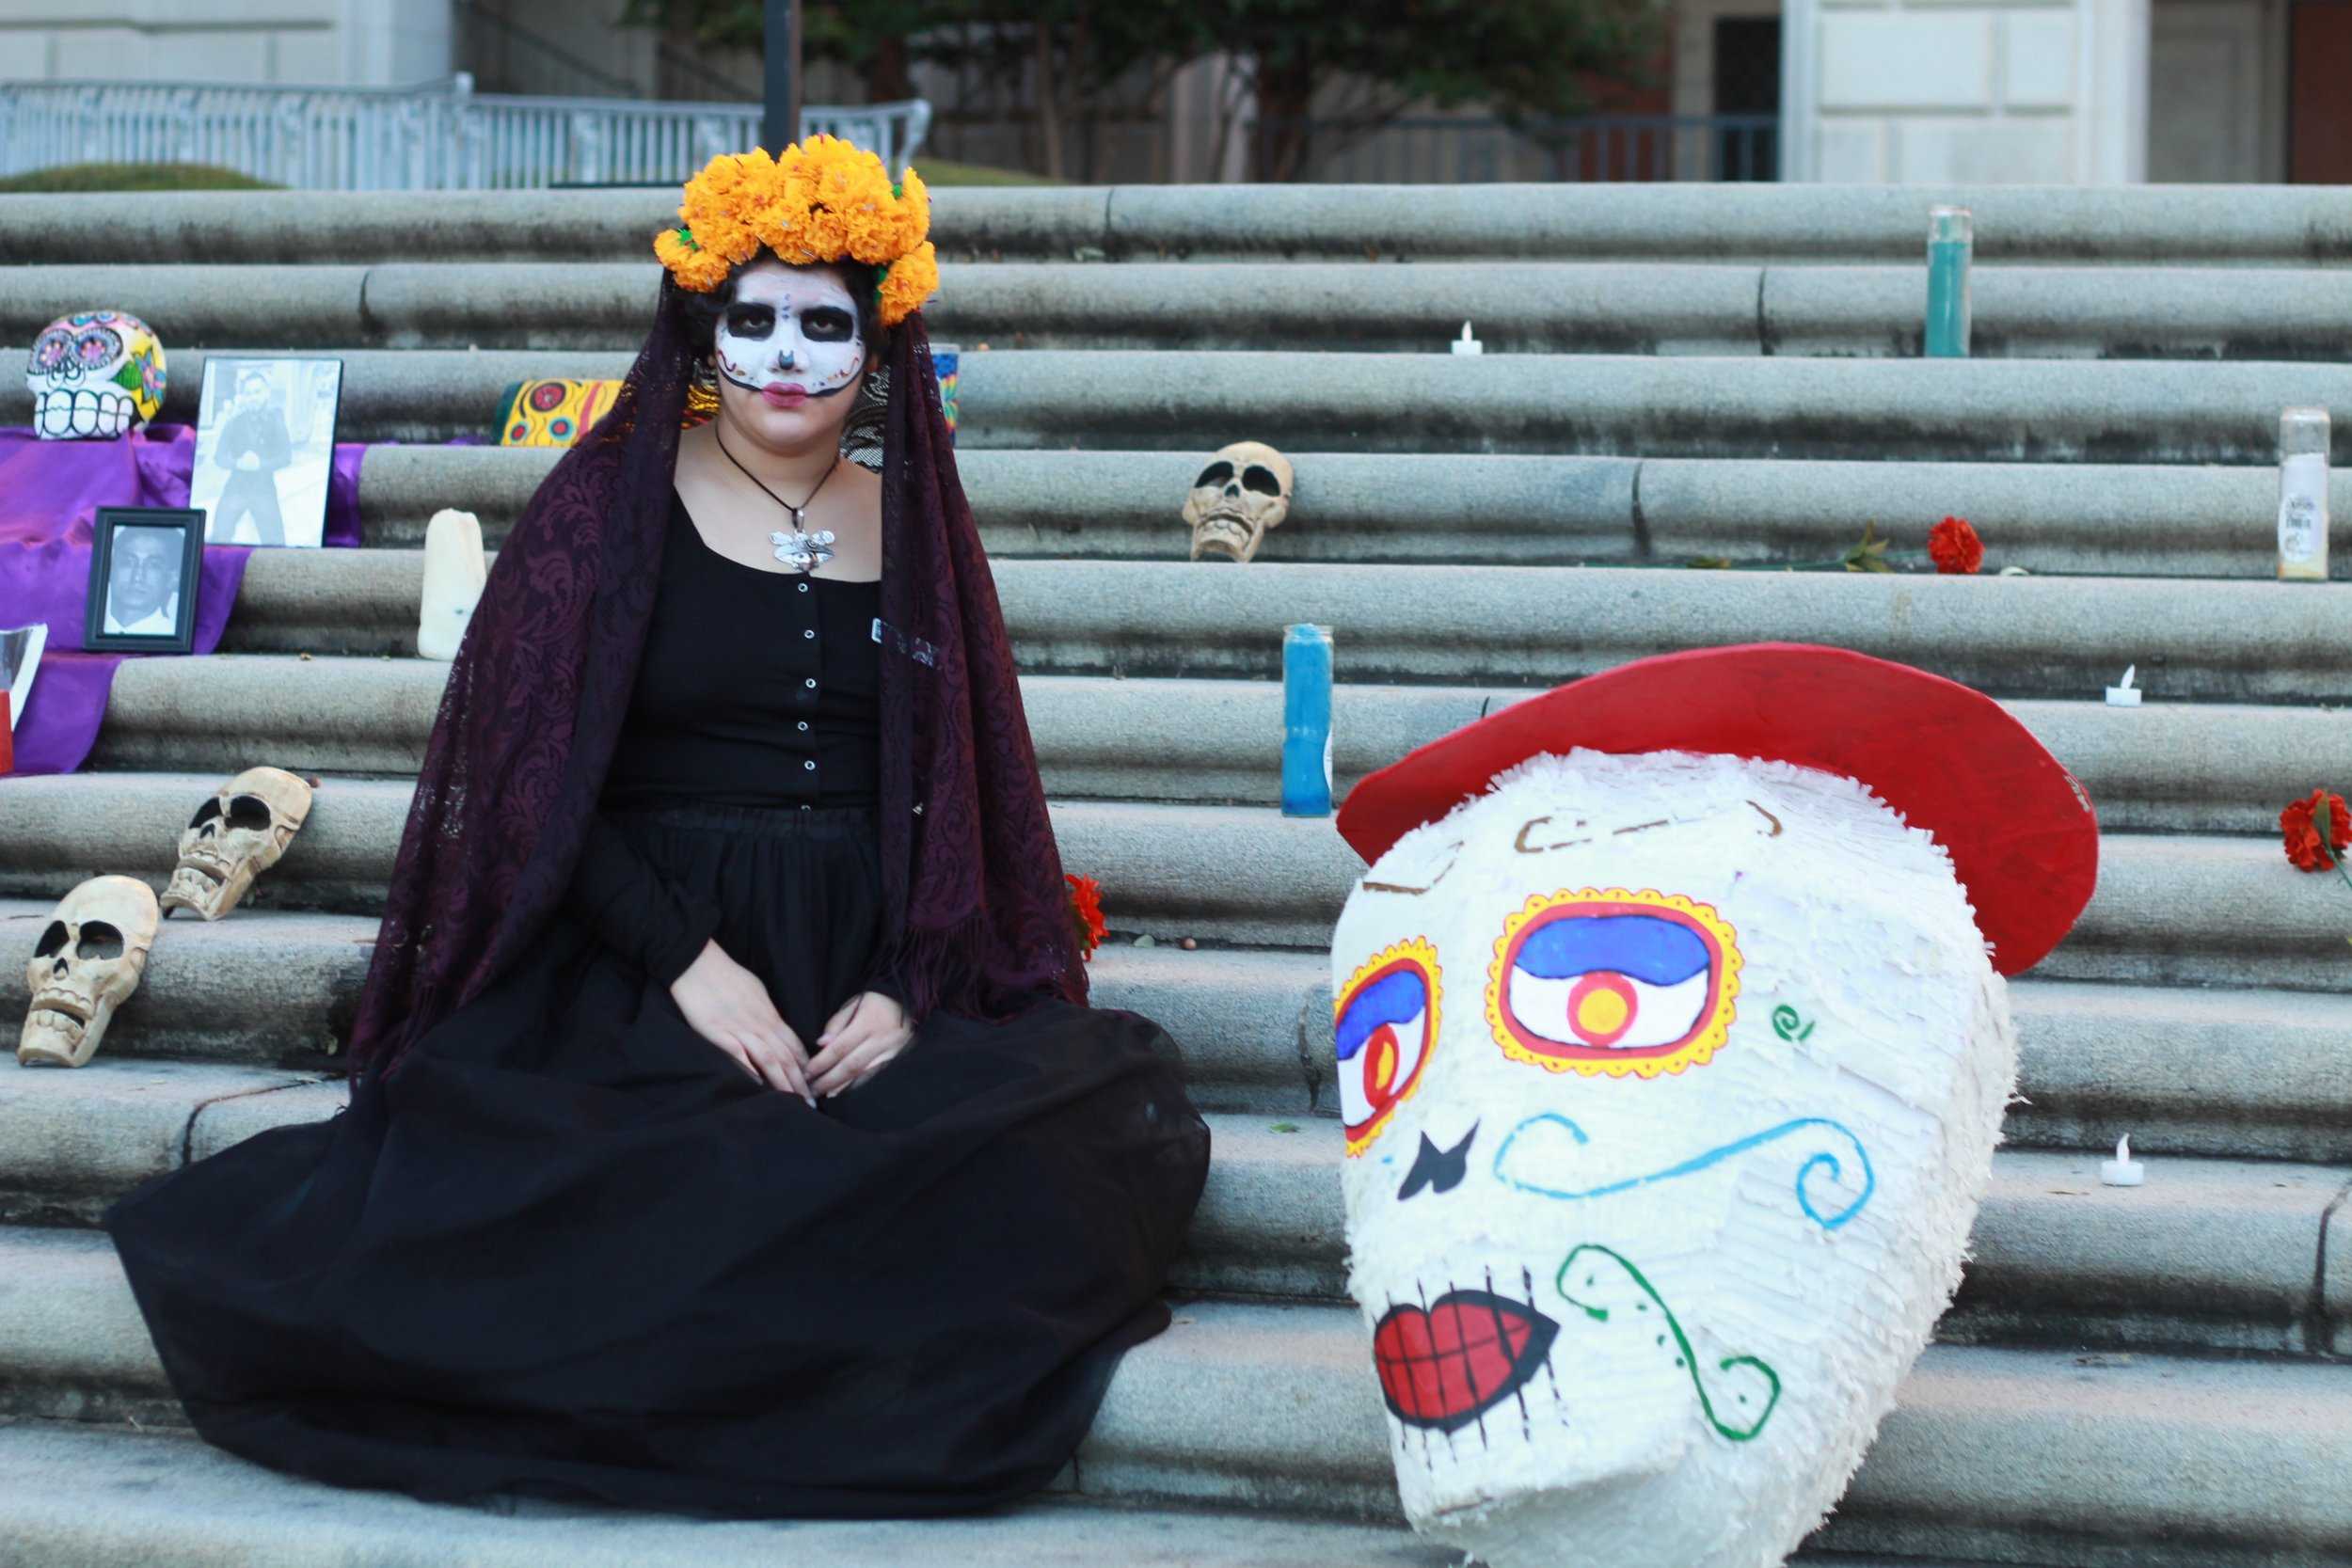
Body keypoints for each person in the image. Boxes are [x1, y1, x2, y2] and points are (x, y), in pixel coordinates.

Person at [102, 136, 1213, 1520]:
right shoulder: (606, 508)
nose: (789, 357)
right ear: (703, 331)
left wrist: (910, 984)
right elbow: (533, 783)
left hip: (869, 950)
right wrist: (690, 961)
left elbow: (960, 780)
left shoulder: (915, 520)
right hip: (646, 947)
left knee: (1028, 1151)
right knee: (665, 1182)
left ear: (876, 345)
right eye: (753, 321)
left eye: (827, 323)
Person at [209, 368, 292, 546]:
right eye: (248, 393)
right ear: (243, 396)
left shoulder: (276, 421)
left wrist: (260, 465)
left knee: (275, 542)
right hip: (236, 487)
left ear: (267, 393)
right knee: (219, 535)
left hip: (264, 488)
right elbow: (219, 457)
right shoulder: (234, 423)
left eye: (257, 392)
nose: (253, 397)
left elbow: (286, 457)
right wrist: (237, 463)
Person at [102, 524, 181, 635]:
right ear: (110, 569)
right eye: (127, 562)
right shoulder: (83, 628)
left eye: (154, 566)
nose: (137, 577)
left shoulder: (172, 635)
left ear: (172, 578)